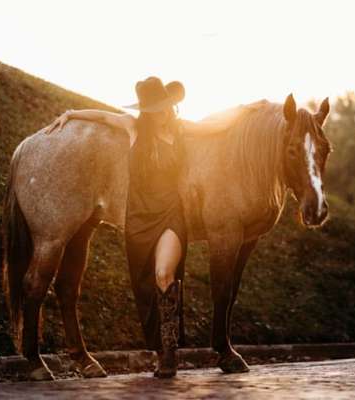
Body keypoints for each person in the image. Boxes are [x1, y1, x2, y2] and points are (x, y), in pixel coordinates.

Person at [45, 76, 246, 378]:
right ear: (147, 110)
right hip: (138, 217)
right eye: (155, 108)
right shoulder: (133, 126)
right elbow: (100, 116)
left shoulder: (180, 129)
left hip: (170, 212)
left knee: (164, 272)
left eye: (165, 106)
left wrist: (246, 109)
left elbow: (212, 127)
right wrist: (71, 114)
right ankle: (159, 347)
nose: (162, 112)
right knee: (144, 284)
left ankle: (168, 354)